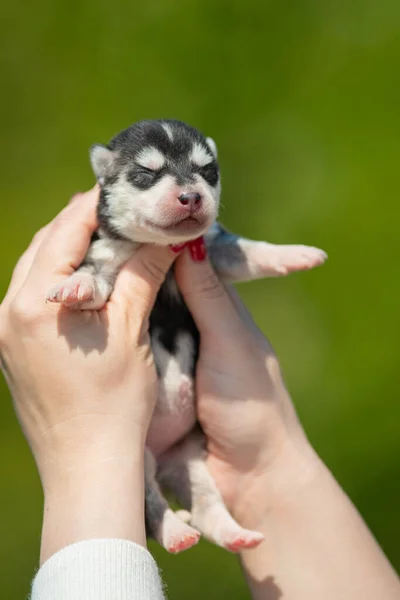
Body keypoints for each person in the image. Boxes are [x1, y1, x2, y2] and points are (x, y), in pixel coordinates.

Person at [0, 186, 399, 600]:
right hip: (153, 427)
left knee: (191, 472)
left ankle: (209, 516)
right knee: (153, 474)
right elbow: (97, 276)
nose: (187, 191)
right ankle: (162, 519)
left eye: (201, 173)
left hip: (188, 431)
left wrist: (86, 455)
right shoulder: (108, 243)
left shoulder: (199, 238)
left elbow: (233, 251)